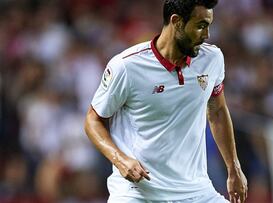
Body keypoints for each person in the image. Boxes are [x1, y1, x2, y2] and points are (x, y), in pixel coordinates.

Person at [84, 0, 248, 202]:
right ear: (176, 21)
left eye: (208, 26)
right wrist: (120, 159)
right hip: (137, 193)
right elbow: (93, 120)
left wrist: (234, 168)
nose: (206, 35)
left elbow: (217, 110)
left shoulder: (212, 59)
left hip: (195, 191)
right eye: (200, 26)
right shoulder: (127, 66)